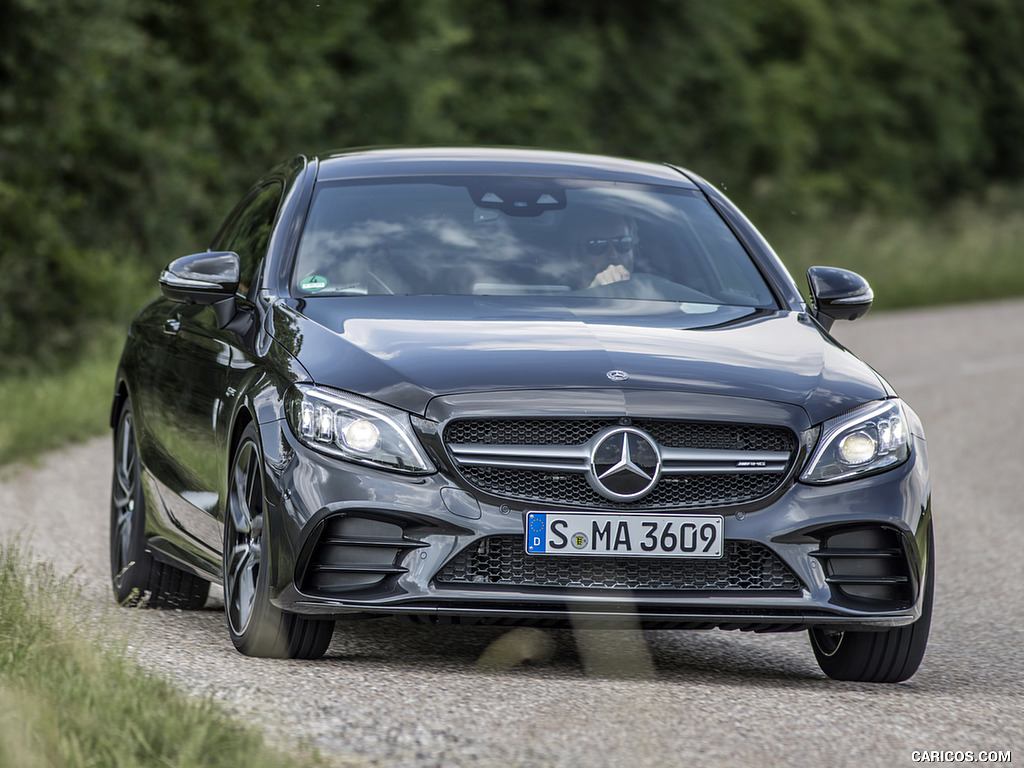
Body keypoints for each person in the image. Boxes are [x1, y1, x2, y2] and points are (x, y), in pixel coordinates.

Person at [576, 213, 637, 288]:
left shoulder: (650, 289)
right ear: (576, 254)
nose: (613, 255)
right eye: (597, 246)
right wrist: (593, 292)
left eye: (622, 243)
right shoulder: (560, 294)